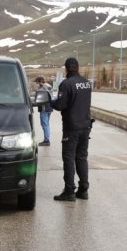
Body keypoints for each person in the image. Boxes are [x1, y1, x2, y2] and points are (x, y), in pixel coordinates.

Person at [50, 58, 93, 202]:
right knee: (82, 157)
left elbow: (60, 105)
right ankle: (83, 190)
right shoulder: (86, 83)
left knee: (68, 158)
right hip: (86, 126)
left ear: (66, 69)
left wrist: (51, 101)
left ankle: (69, 191)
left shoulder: (66, 84)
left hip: (71, 128)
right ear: (78, 67)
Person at [34, 76, 53, 146]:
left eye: (37, 82)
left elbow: (39, 98)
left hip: (44, 108)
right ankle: (47, 139)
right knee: (47, 124)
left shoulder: (43, 88)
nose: (36, 84)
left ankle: (46, 140)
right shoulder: (48, 86)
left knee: (45, 125)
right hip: (50, 107)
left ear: (41, 81)